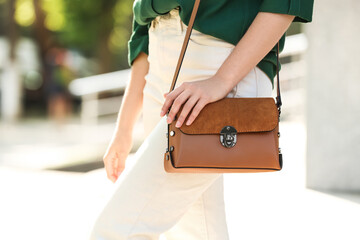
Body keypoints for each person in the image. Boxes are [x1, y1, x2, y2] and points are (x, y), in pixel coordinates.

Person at [89, 1, 314, 239]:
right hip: (160, 66)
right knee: (196, 231)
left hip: (222, 61)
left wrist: (222, 80)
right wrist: (124, 126)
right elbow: (142, 27)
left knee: (116, 229)